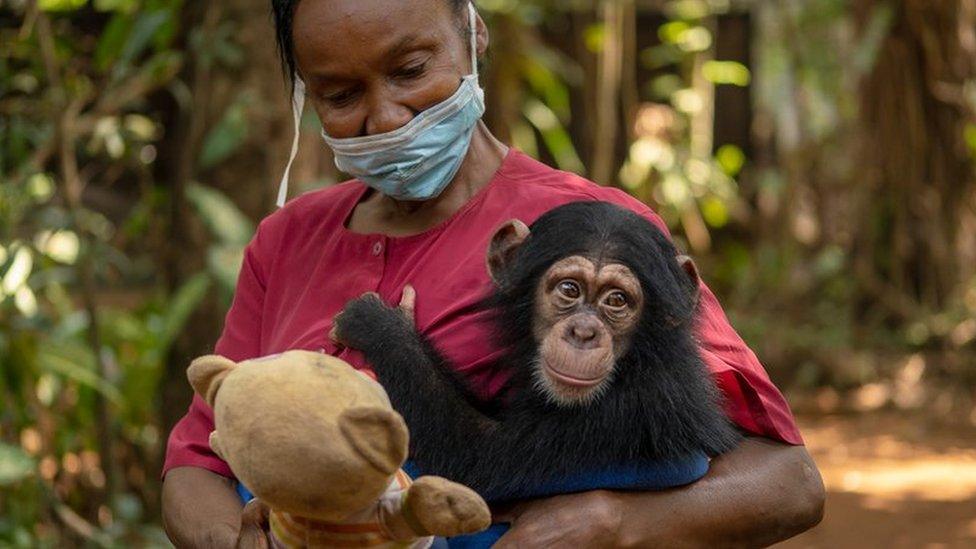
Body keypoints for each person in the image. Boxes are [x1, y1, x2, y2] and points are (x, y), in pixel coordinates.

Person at [161, 1, 825, 547]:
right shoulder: (287, 240)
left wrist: (621, 521)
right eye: (340, 94)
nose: (388, 118)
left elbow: (787, 480)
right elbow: (197, 463)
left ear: (472, 32)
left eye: (411, 69)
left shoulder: (597, 228)